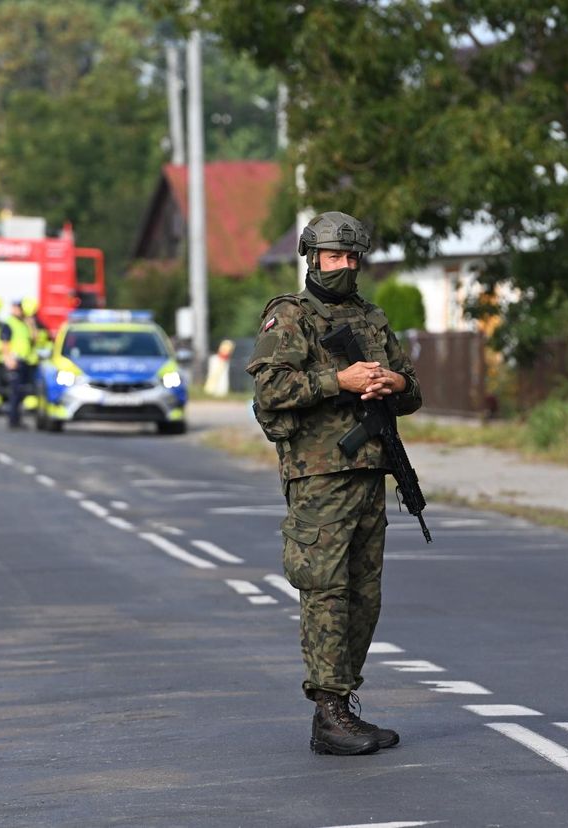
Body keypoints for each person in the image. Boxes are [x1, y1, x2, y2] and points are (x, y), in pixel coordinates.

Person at [246, 211, 423, 756]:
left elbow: (413, 390)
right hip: (320, 478)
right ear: (312, 258)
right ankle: (327, 713)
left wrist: (393, 382)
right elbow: (269, 391)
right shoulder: (290, 316)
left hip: (370, 474)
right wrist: (337, 380)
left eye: (350, 257)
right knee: (326, 593)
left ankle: (343, 704)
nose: (343, 265)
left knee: (364, 597)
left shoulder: (371, 318)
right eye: (332, 256)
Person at [1, 298, 37, 429]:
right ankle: (13, 420)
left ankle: (17, 419)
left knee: (21, 392)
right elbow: (5, 343)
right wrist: (8, 359)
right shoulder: (9, 323)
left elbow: (34, 339)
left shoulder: (24, 323)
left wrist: (31, 324)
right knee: (15, 392)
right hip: (14, 362)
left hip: (24, 361)